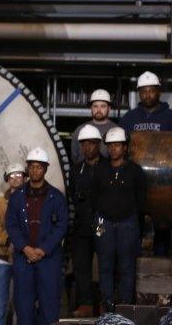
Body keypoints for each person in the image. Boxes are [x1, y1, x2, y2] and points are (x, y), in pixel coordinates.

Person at [5, 147, 68, 325]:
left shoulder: (56, 197)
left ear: (45, 169)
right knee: (24, 309)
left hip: (48, 260)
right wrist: (25, 248)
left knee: (49, 307)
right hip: (24, 259)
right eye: (31, 167)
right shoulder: (17, 198)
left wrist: (43, 249)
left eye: (39, 167)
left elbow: (62, 226)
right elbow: (11, 224)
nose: (34, 170)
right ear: (27, 169)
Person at [92, 127, 146, 312]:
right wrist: (97, 230)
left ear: (125, 147)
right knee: (104, 265)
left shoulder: (135, 171)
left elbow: (141, 202)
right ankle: (107, 307)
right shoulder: (100, 170)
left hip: (127, 223)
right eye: (110, 145)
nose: (113, 149)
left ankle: (124, 308)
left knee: (126, 267)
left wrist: (136, 227)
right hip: (103, 222)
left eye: (117, 145)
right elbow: (94, 200)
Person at [119, 71, 172, 256]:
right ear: (139, 93)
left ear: (159, 92)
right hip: (134, 185)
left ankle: (161, 271)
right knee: (134, 229)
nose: (147, 95)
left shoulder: (169, 117)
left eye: (151, 91)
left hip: (164, 187)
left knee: (163, 231)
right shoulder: (129, 118)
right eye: (143, 91)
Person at [69, 124, 106, 318]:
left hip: (102, 224)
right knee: (81, 264)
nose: (88, 148)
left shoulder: (108, 167)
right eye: (84, 144)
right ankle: (86, 303)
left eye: (91, 144)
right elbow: (74, 196)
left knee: (105, 262)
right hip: (82, 224)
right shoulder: (76, 170)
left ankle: (106, 301)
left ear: (98, 145)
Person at [0, 162, 26, 325]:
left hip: (24, 257)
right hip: (2, 257)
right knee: (0, 303)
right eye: (12, 176)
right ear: (7, 179)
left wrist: (21, 244)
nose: (16, 179)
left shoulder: (32, 201)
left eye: (19, 175)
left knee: (23, 302)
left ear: (24, 178)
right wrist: (8, 240)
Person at [71, 89, 117, 163]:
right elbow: (74, 158)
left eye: (103, 106)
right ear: (91, 108)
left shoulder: (116, 130)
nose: (98, 110)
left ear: (109, 108)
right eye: (95, 106)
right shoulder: (80, 130)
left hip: (107, 173)